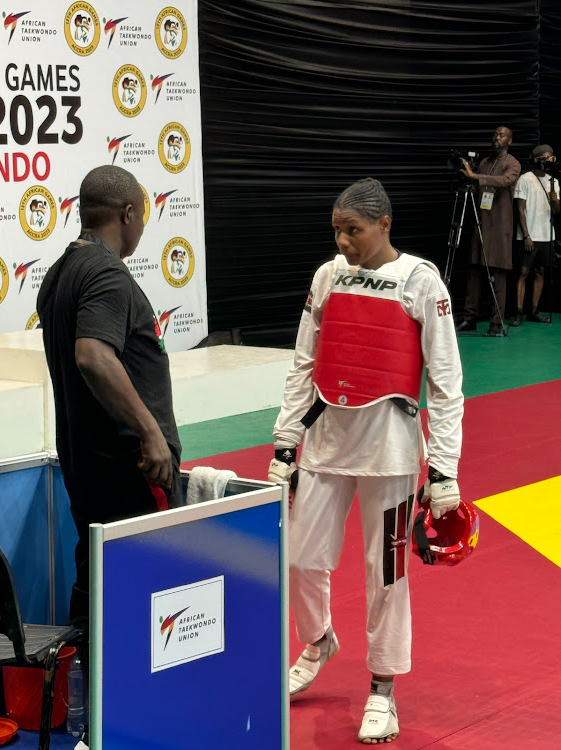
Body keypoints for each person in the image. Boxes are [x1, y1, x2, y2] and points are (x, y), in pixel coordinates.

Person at [268, 178, 464, 744]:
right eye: (337, 229)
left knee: (388, 576)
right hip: (327, 445)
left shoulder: (422, 282)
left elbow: (446, 384)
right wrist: (285, 445)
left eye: (352, 229)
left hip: (393, 455)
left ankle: (383, 688)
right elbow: (304, 363)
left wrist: (445, 471)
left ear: (385, 225)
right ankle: (320, 638)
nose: (343, 239)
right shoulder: (327, 276)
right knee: (302, 560)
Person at [37, 166, 182, 747]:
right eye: (142, 214)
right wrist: (150, 433)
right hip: (129, 468)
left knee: (94, 586)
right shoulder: (107, 274)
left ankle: (90, 720)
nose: (143, 224)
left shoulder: (59, 274)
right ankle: (129, 720)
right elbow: (94, 356)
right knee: (143, 596)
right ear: (127, 213)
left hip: (87, 465)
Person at [455, 126, 521, 336]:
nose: (496, 137)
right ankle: (469, 318)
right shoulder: (485, 162)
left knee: (498, 276)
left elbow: (505, 181)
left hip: (500, 228)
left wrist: (476, 177)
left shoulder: (513, 163)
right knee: (474, 273)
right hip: (481, 224)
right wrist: (469, 180)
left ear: (509, 141)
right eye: (494, 134)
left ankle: (496, 323)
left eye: (501, 135)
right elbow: (478, 189)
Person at [511, 144, 560, 326]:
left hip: (547, 236)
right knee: (523, 272)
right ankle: (518, 312)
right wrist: (526, 235)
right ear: (537, 159)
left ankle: (534, 311)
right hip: (529, 235)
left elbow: (556, 212)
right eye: (546, 158)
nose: (549, 161)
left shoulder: (553, 181)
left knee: (540, 272)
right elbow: (520, 209)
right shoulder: (525, 179)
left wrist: (555, 201)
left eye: (551, 158)